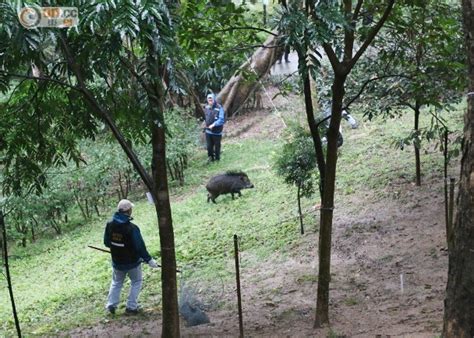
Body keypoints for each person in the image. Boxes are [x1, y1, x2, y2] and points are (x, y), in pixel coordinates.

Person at [104, 199, 159, 315]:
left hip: (117, 262)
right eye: (131, 209)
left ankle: (111, 305)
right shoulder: (132, 228)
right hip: (132, 262)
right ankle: (131, 307)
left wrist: (117, 247)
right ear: (128, 211)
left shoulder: (109, 225)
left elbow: (106, 242)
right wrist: (149, 259)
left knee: (116, 282)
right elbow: (139, 246)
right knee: (136, 281)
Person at [204, 93, 225, 163]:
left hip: (217, 132)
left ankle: (217, 159)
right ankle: (210, 158)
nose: (210, 100)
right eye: (209, 99)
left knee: (217, 146)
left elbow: (221, 120)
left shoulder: (219, 108)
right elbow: (206, 117)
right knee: (209, 146)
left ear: (214, 99)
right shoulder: (206, 108)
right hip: (208, 131)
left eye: (211, 99)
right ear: (207, 100)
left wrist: (214, 124)